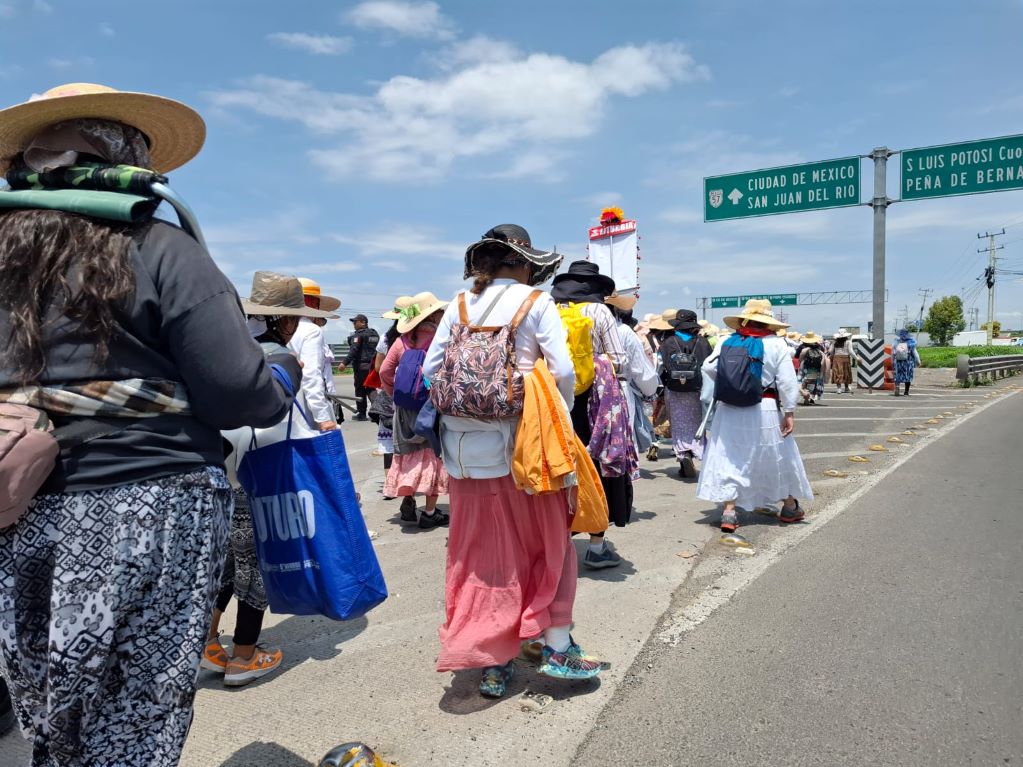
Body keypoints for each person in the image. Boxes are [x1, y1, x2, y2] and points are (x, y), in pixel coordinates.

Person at [0, 83, 301, 765]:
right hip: (147, 506)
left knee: (48, 710)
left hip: (14, 509)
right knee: (135, 714)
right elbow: (237, 393)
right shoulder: (156, 244)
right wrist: (280, 372)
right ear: (121, 155)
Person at [423, 223, 602, 697]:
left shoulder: (458, 305)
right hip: (527, 452)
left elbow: (428, 370)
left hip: (465, 455)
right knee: (548, 546)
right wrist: (554, 413)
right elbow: (563, 369)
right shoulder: (534, 302)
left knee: (483, 557)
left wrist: (469, 403)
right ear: (523, 264)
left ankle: (493, 660)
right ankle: (557, 645)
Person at [209, 273, 336, 687]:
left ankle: (207, 645)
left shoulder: (222, 348)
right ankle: (244, 656)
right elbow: (271, 412)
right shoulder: (278, 358)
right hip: (260, 468)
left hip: (216, 467)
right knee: (257, 563)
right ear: (282, 321)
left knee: (225, 560)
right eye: (293, 319)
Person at [697, 300, 813, 533]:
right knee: (775, 455)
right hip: (765, 406)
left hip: (730, 409)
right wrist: (789, 411)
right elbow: (788, 382)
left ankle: (729, 510)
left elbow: (707, 368)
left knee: (730, 456)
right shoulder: (777, 344)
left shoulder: (726, 341)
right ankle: (789, 506)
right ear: (768, 322)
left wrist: (732, 381)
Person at [551, 261, 629, 569]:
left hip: (555, 393)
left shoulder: (549, 307)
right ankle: (596, 547)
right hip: (595, 397)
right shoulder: (599, 312)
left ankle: (556, 542)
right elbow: (619, 358)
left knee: (560, 460)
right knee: (595, 462)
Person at [380, 292, 450, 528]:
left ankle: (408, 497)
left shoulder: (402, 341)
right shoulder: (440, 339)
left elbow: (384, 372)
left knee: (407, 453)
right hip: (430, 406)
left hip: (403, 408)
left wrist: (394, 394)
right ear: (434, 314)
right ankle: (430, 513)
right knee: (432, 456)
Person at [659, 310, 713, 478]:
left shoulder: (667, 342)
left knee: (679, 423)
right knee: (696, 424)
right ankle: (694, 451)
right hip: (697, 390)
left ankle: (684, 455)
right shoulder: (703, 343)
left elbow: (661, 367)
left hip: (674, 389)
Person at [605, 294, 659, 463]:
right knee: (620, 444)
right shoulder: (623, 331)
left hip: (582, 392)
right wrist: (650, 390)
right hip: (619, 391)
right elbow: (641, 371)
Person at [288, 278, 342, 431]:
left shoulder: (276, 326)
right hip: (301, 408)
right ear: (313, 304)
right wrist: (323, 417)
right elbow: (311, 375)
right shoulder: (310, 330)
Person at [343, 313, 380, 420]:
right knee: (370, 388)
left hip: (361, 367)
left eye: (356, 322)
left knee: (360, 389)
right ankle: (378, 412)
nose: (354, 324)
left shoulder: (359, 335)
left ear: (363, 322)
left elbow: (353, 350)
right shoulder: (374, 334)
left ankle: (362, 414)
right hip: (372, 366)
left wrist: (344, 363)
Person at [797, 331, 830, 405]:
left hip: (806, 369)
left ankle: (806, 398)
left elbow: (800, 360)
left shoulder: (804, 350)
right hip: (817, 369)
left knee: (805, 383)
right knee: (814, 383)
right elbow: (823, 360)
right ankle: (811, 397)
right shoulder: (820, 350)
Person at [892, 328, 921, 396]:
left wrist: (892, 361)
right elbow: (915, 353)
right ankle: (906, 391)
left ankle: (897, 387)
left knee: (898, 375)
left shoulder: (897, 342)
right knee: (908, 376)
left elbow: (893, 353)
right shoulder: (911, 342)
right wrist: (918, 361)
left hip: (899, 362)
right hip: (908, 362)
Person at [830, 329, 854, 393]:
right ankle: (846, 388)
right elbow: (851, 351)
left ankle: (839, 388)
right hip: (846, 358)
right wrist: (857, 358)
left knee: (837, 373)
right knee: (846, 373)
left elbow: (830, 351)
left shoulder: (834, 342)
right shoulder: (848, 342)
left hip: (836, 358)